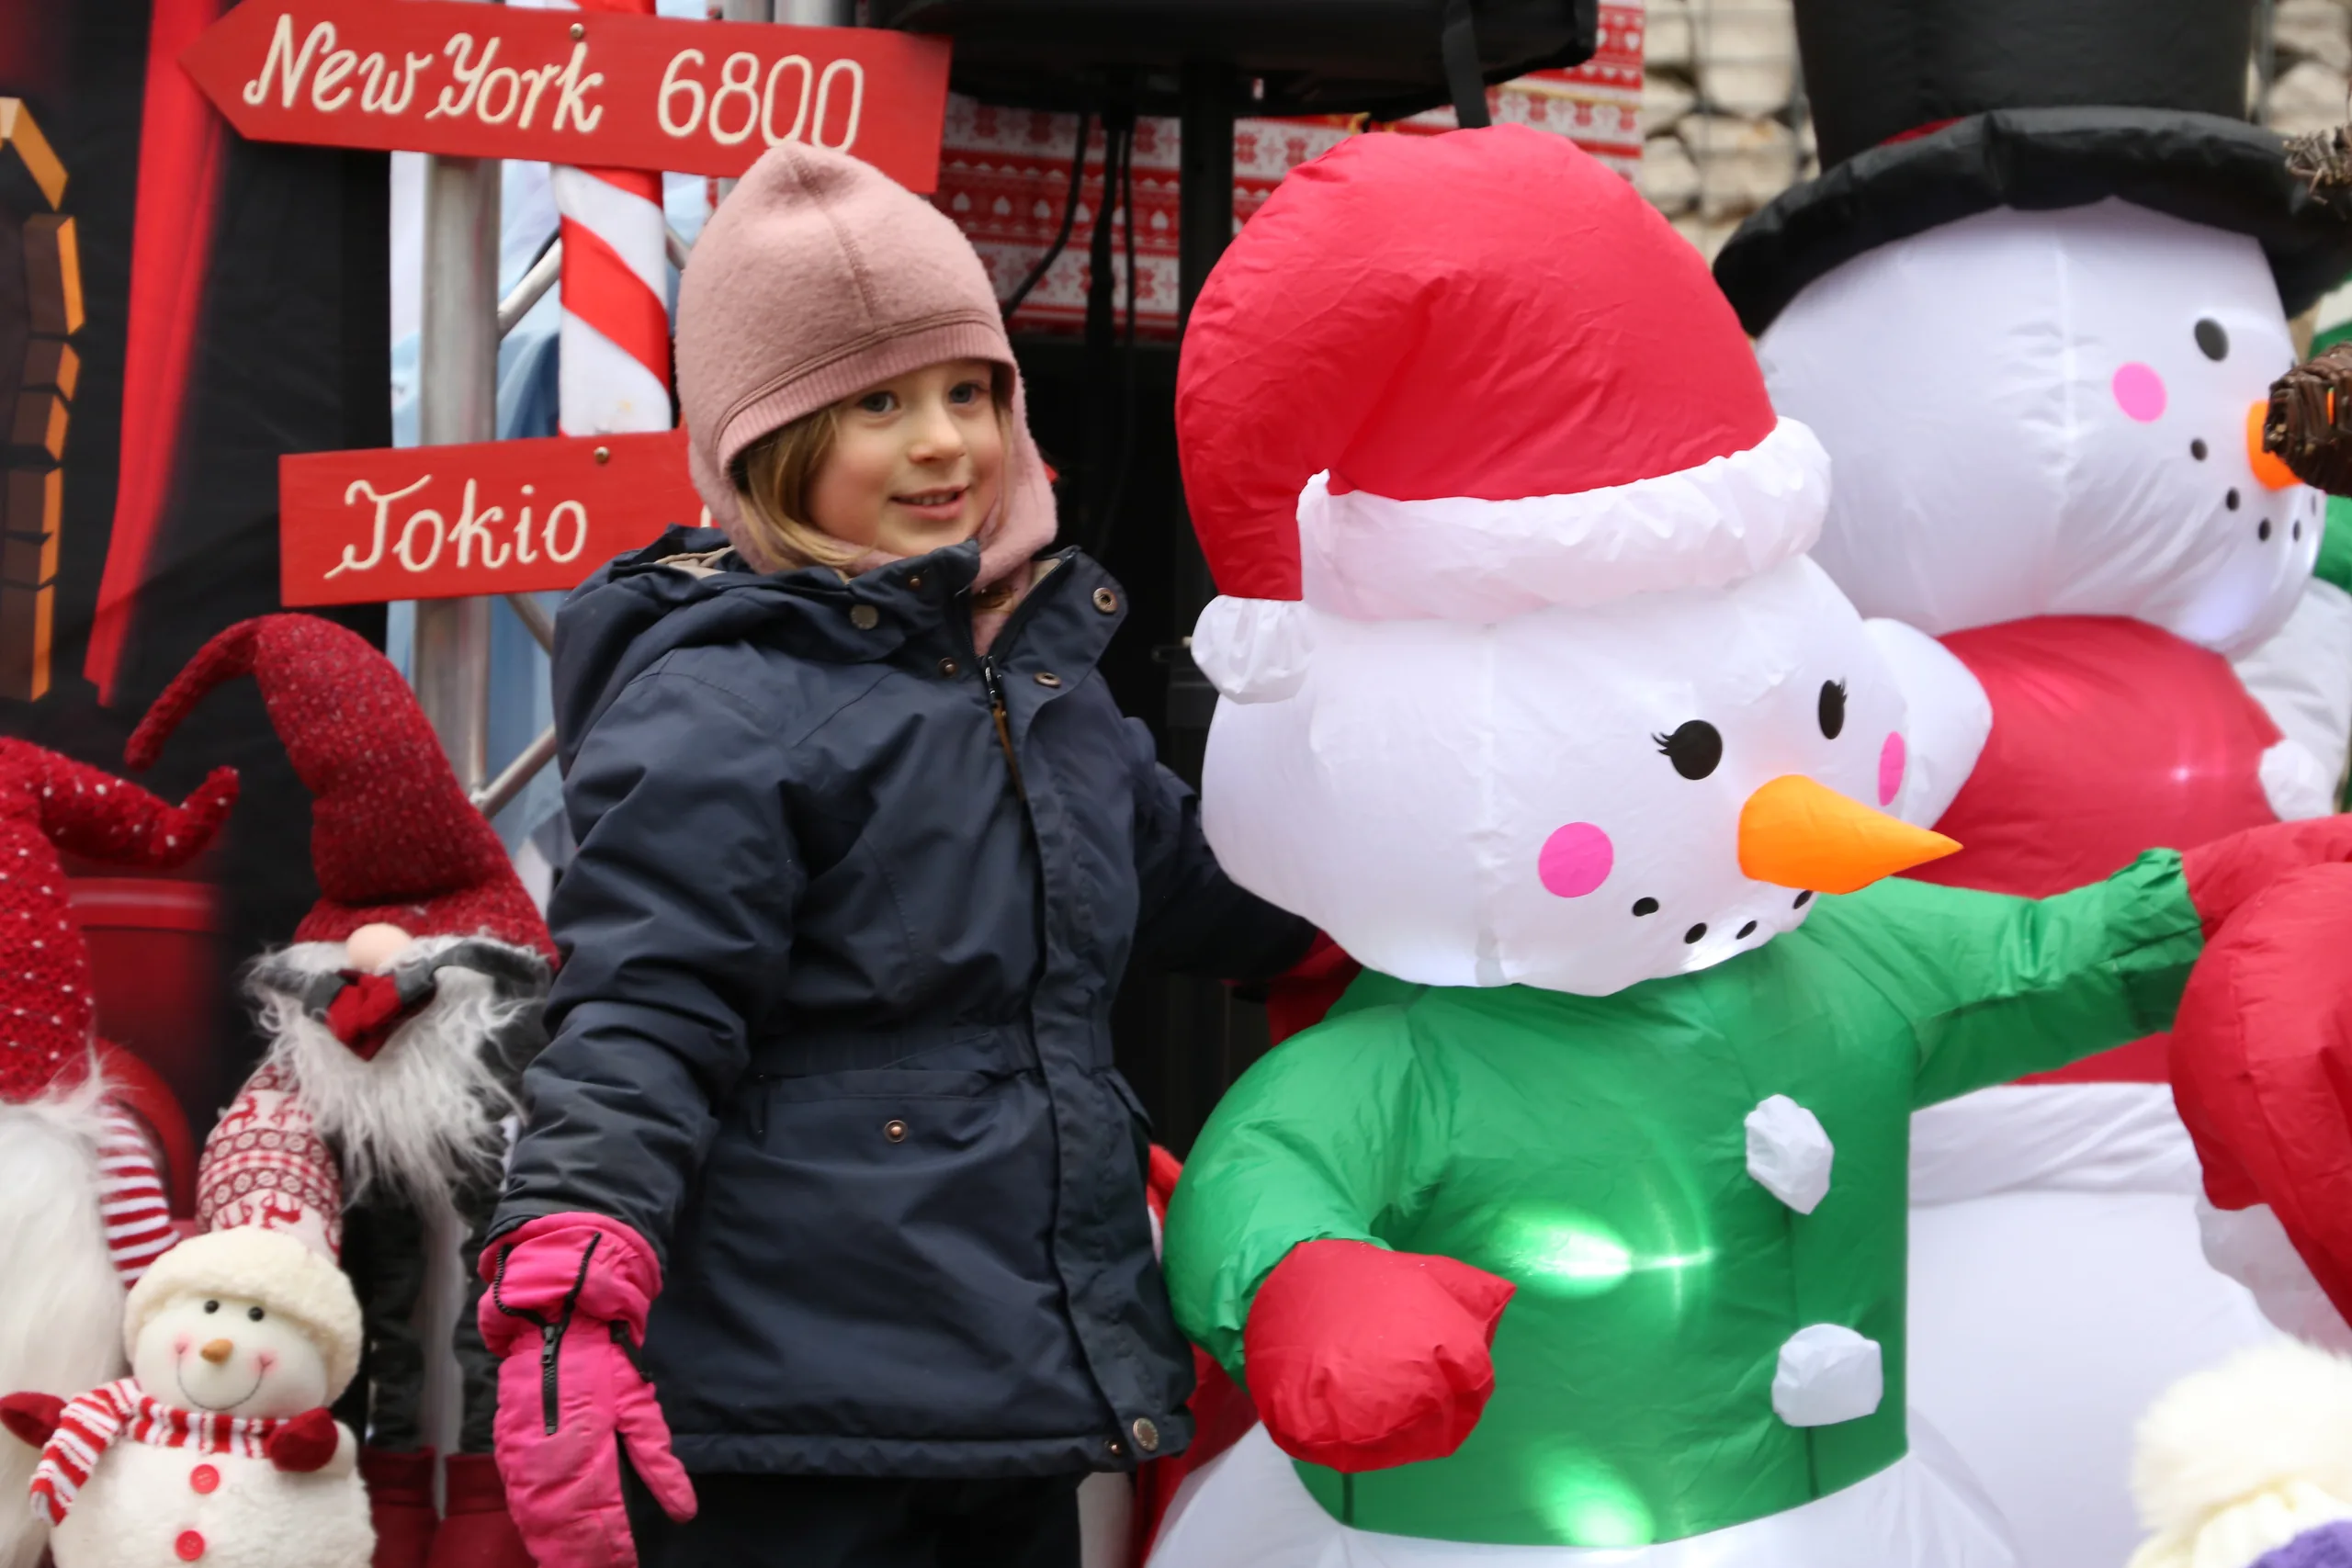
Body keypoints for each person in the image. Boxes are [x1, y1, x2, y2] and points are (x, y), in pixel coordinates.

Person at [471, 141, 1317, 1568]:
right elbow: (645, 1011)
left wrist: (1391, 934)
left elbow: (1187, 879)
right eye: (878, 403)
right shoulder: (719, 705)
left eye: (968, 391)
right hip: (786, 1426)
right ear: (768, 442)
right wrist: (569, 1277)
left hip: (1016, 1385)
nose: (945, 443)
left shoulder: (1041, 675)